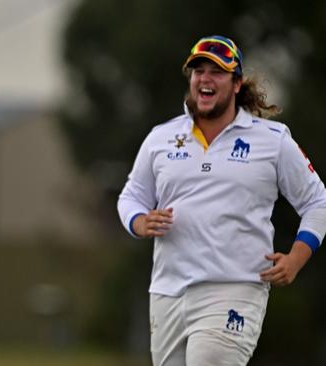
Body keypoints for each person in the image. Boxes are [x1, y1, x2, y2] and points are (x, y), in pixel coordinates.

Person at [117, 35, 326, 365]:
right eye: (198, 70)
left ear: (237, 83)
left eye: (216, 71)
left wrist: (297, 257)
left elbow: (318, 202)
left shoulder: (272, 140)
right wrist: (139, 222)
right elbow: (131, 197)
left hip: (235, 288)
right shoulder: (161, 137)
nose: (205, 78)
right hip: (168, 291)